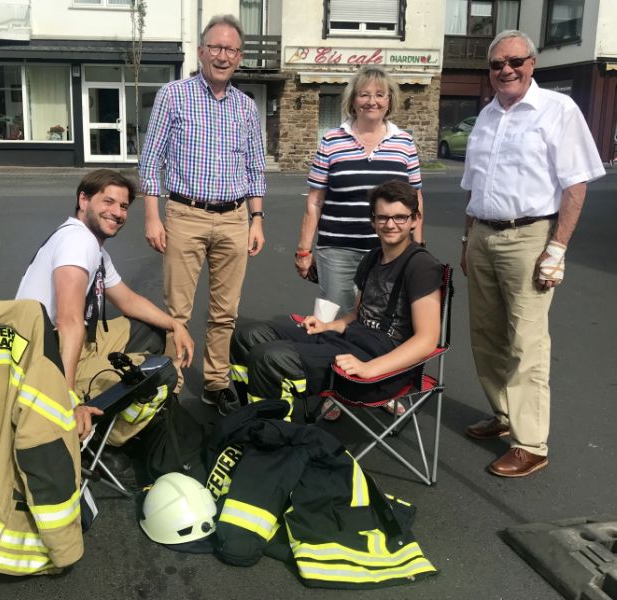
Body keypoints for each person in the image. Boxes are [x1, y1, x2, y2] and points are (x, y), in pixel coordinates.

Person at [460, 30, 605, 477]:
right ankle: (505, 415)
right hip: (483, 234)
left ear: (532, 63)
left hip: (529, 237)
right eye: (497, 64)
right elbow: (474, 185)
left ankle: (531, 443)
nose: (506, 70)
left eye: (515, 61)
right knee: (486, 336)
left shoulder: (558, 110)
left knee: (527, 342)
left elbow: (575, 183)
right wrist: (468, 241)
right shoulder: (486, 115)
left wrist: (557, 249)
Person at [139, 14, 266, 416]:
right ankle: (172, 387)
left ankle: (216, 382)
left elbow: (255, 168)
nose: (222, 55)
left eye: (230, 49)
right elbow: (150, 160)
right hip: (185, 215)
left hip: (234, 218)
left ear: (239, 57)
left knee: (225, 312)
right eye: (216, 47)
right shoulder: (173, 95)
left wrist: (257, 218)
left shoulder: (247, 107)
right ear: (201, 51)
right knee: (177, 310)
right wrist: (152, 217)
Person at [231, 180, 442, 420]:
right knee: (248, 336)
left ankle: (273, 436)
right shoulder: (372, 259)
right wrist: (327, 326)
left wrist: (369, 368)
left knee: (270, 357)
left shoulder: (422, 266)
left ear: (414, 219)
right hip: (347, 339)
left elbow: (427, 340)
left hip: (380, 364)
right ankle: (249, 417)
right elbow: (357, 315)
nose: (390, 224)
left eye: (400, 217)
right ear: (373, 221)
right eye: (382, 217)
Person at [16, 169, 194, 445]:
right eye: (108, 202)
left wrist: (175, 324)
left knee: (152, 330)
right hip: (44, 360)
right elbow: (69, 322)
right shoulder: (78, 241)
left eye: (123, 206)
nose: (118, 212)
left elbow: (126, 299)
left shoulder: (90, 245)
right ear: (84, 200)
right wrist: (66, 399)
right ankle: (104, 441)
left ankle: (127, 414)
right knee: (160, 373)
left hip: (59, 342)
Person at [295, 66, 424, 320]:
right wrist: (303, 249)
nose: (372, 101)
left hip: (390, 249)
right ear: (353, 100)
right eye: (364, 94)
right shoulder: (331, 141)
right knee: (330, 317)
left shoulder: (404, 143)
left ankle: (369, 361)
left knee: (382, 317)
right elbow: (315, 201)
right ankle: (326, 359)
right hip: (337, 250)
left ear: (389, 101)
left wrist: (417, 246)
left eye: (379, 94)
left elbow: (416, 198)